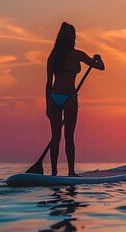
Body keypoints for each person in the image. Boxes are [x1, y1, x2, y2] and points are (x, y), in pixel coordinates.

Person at [46, 22, 105, 177]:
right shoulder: (78, 55)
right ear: (73, 38)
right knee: (69, 137)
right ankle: (71, 172)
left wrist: (47, 105)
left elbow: (48, 83)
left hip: (53, 98)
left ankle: (54, 173)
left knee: (55, 137)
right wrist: (98, 58)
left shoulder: (53, 57)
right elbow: (101, 67)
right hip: (70, 98)